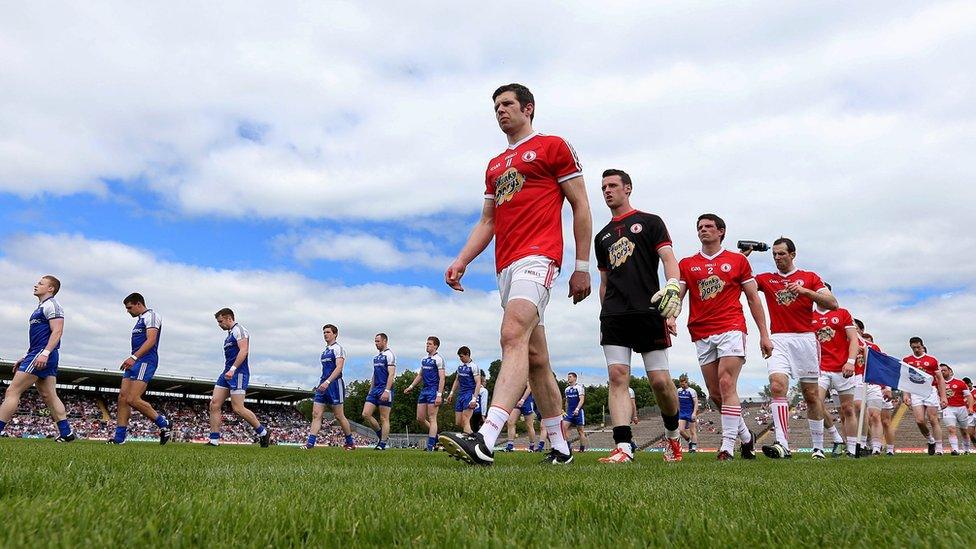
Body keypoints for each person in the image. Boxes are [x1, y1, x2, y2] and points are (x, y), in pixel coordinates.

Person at [440, 83, 592, 466]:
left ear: (528, 108)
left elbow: (581, 205)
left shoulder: (553, 146)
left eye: (507, 104)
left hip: (540, 257)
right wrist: (462, 260)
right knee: (536, 357)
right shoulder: (494, 165)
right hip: (505, 266)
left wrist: (582, 266)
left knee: (511, 333)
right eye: (495, 107)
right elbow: (487, 221)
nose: (500, 111)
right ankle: (560, 447)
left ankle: (485, 438)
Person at [593, 169, 684, 465]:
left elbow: (669, 259)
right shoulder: (602, 236)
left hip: (649, 310)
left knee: (659, 381)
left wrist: (671, 286)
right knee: (617, 376)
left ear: (628, 189)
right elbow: (604, 282)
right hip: (614, 314)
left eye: (613, 185)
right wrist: (603, 311)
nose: (607, 191)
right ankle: (623, 447)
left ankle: (672, 437)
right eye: (604, 186)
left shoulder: (650, 222)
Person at [676, 214, 770, 461]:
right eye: (699, 227)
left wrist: (764, 334)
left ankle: (727, 447)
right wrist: (670, 317)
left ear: (721, 231)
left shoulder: (737, 260)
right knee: (715, 393)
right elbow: (679, 295)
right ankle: (747, 437)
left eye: (708, 226)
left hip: (731, 326)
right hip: (701, 330)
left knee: (727, 383)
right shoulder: (687, 263)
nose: (703, 230)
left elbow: (753, 298)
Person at [746, 237, 839, 459]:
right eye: (774, 255)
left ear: (793, 255)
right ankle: (783, 444)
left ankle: (818, 447)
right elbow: (741, 284)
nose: (777, 258)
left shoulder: (809, 277)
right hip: (778, 339)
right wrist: (742, 258)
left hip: (805, 339)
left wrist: (805, 292)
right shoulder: (766, 279)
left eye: (782, 254)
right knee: (777, 386)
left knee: (811, 395)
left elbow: (832, 303)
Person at [0, 276, 75, 442]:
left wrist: (45, 353)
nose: (36, 285)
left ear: (51, 289)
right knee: (49, 395)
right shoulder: (40, 307)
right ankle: (66, 433)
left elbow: (57, 331)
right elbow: (39, 337)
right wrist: (26, 356)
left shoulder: (52, 305)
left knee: (12, 391)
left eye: (41, 283)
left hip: (42, 354)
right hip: (38, 353)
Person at [108, 293, 171, 445]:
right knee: (122, 398)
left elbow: (151, 340)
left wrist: (133, 358)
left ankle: (164, 423)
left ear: (138, 304)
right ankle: (119, 438)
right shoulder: (140, 320)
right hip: (135, 360)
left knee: (132, 399)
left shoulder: (152, 316)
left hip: (145, 361)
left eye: (129, 307)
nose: (128, 311)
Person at [208, 308, 270, 447]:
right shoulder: (229, 335)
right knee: (214, 404)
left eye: (220, 321)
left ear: (229, 318)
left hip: (238, 372)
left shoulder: (240, 330)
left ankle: (263, 432)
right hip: (227, 372)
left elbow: (244, 351)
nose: (219, 324)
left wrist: (233, 369)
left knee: (238, 408)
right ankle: (214, 440)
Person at [812, 298, 860, 457]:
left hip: (842, 369)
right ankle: (829, 440)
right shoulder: (809, 316)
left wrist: (851, 362)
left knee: (848, 409)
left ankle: (852, 449)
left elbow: (854, 339)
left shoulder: (842, 313)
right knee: (815, 402)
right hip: (820, 369)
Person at [304, 324, 355, 450]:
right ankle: (310, 444)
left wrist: (328, 382)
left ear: (335, 334)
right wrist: (323, 382)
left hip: (334, 385)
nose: (325, 334)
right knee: (316, 414)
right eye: (324, 332)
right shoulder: (325, 351)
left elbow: (339, 368)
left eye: (328, 332)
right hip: (323, 384)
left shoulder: (338, 349)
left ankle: (350, 442)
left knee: (339, 416)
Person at [902, 337, 947, 455]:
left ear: (922, 346)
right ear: (910, 347)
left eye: (918, 347)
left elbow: (940, 379)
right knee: (920, 421)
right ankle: (930, 440)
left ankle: (939, 448)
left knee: (933, 419)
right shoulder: (907, 360)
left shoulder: (931, 360)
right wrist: (906, 394)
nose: (916, 349)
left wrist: (943, 397)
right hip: (915, 391)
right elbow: (905, 379)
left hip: (930, 391)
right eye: (914, 348)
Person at [405, 336, 446, 451]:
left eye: (429, 344)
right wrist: (411, 386)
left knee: (432, 418)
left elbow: (442, 378)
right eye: (426, 343)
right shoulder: (424, 359)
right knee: (420, 418)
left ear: (435, 346)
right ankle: (436, 437)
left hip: (433, 390)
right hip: (424, 390)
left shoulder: (438, 359)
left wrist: (439, 394)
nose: (427, 345)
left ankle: (430, 445)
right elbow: (420, 375)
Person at [362, 333, 396, 450]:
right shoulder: (376, 357)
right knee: (366, 414)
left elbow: (391, 374)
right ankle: (380, 434)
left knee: (384, 418)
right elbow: (375, 374)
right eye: (375, 341)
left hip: (385, 389)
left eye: (378, 341)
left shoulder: (389, 355)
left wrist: (387, 390)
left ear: (385, 341)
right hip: (375, 389)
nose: (376, 344)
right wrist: (370, 390)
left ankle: (382, 444)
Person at [446, 346, 480, 434]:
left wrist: (474, 399)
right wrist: (451, 393)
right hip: (461, 394)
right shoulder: (460, 367)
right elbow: (457, 380)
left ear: (467, 354)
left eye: (462, 356)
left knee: (465, 419)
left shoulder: (473, 367)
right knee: (459, 422)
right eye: (459, 357)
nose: (460, 359)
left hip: (469, 395)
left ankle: (471, 437)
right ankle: (471, 433)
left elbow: (478, 383)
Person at [939, 364, 972, 456]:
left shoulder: (960, 383)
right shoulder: (938, 383)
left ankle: (966, 449)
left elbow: (969, 396)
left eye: (944, 370)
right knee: (951, 429)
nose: (942, 372)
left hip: (961, 408)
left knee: (964, 431)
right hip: (948, 408)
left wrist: (970, 407)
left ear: (950, 371)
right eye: (940, 371)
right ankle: (955, 450)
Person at [504, 384, 537, 452]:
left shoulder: (526, 374)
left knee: (529, 425)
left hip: (527, 400)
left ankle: (532, 447)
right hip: (516, 400)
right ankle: (510, 447)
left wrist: (522, 399)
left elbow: (529, 388)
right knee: (510, 422)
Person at [562, 372, 587, 452]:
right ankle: (568, 447)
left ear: (575, 378)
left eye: (570, 377)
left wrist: (577, 409)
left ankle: (582, 449)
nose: (568, 378)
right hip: (569, 412)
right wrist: (565, 411)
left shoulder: (579, 387)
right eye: (568, 377)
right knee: (563, 428)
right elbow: (567, 402)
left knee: (580, 431)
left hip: (578, 412)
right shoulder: (567, 389)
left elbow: (582, 400)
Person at [676, 375, 699, 453]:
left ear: (686, 382)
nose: (682, 385)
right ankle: (689, 441)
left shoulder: (692, 391)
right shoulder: (678, 390)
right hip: (682, 413)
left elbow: (696, 403)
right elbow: (677, 402)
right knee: (681, 430)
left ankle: (693, 448)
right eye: (681, 384)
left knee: (693, 431)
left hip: (690, 413)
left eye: (683, 383)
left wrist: (694, 413)